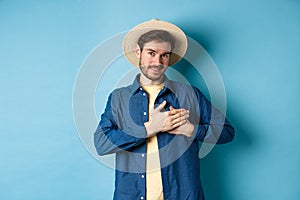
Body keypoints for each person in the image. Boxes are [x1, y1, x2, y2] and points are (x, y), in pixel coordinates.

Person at [94, 19, 235, 200]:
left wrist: (191, 130)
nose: (157, 62)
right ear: (138, 52)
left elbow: (227, 132)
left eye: (164, 55)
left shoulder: (190, 94)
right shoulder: (118, 98)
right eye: (151, 53)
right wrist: (149, 128)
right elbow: (101, 143)